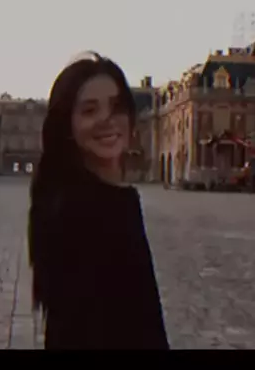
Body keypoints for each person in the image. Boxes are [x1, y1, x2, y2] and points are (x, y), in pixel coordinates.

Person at [28, 51, 169, 350]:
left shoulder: (83, 198)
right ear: (67, 124)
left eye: (116, 107)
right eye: (90, 110)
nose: (107, 119)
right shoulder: (88, 211)